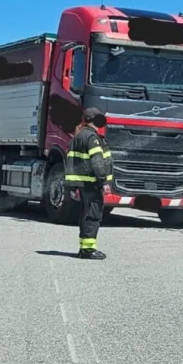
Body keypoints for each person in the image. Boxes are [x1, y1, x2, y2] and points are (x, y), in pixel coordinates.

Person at [65, 107, 113, 260]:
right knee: (93, 216)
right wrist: (104, 181)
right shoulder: (91, 138)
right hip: (92, 184)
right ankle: (88, 250)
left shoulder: (78, 136)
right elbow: (97, 162)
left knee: (86, 215)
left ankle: (84, 248)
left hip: (83, 184)